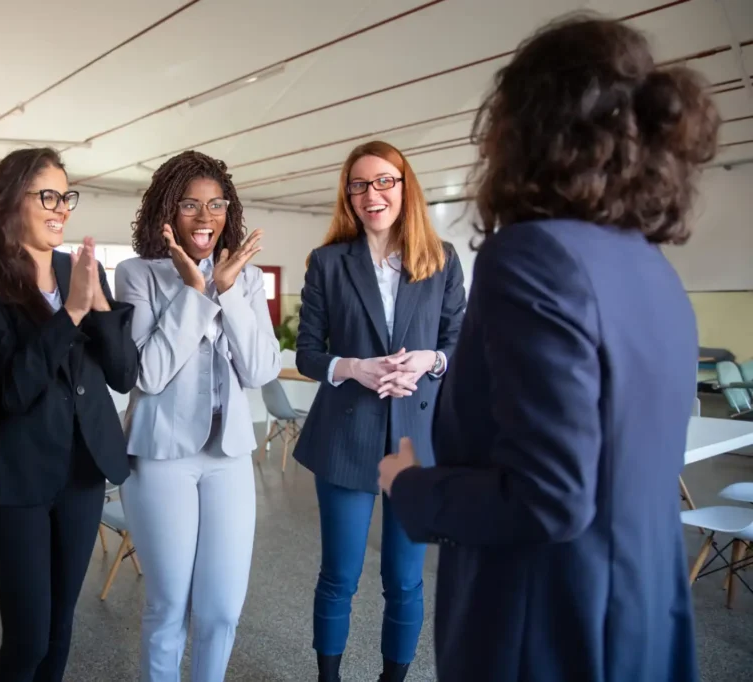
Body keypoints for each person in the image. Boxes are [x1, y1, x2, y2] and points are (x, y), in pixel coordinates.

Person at [377, 14, 720, 682]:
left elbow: (551, 496)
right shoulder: (652, 269)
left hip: (548, 629)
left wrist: (413, 486)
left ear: (524, 129)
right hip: (644, 614)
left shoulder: (531, 256)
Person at [0, 147, 138, 682]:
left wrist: (97, 304)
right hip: (16, 477)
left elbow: (123, 375)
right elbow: (14, 390)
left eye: (66, 195)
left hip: (82, 471)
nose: (61, 207)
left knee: (61, 630)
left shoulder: (78, 268)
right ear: (14, 201)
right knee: (28, 637)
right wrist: (72, 312)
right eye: (48, 195)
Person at [293, 140, 466, 682]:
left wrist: (431, 359)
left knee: (406, 580)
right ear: (348, 195)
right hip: (346, 437)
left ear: (404, 187)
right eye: (360, 184)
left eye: (384, 181)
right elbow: (308, 353)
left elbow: (463, 345)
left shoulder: (441, 259)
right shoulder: (328, 262)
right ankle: (329, 678)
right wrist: (353, 367)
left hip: (417, 440)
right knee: (339, 576)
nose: (373, 194)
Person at [115, 150, 281, 682]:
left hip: (228, 456)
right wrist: (193, 293)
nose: (205, 217)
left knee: (222, 610)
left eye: (215, 204)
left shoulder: (247, 279)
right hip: (162, 456)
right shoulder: (137, 275)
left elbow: (258, 370)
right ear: (167, 211)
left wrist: (227, 292)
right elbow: (150, 374)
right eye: (190, 204)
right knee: (168, 607)